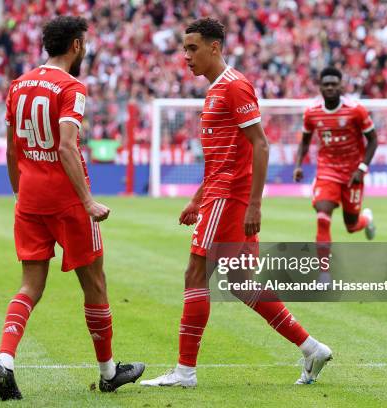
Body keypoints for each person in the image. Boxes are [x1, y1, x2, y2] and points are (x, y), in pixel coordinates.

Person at [140, 18, 332, 388]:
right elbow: (221, 159)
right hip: (219, 196)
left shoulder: (234, 87)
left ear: (215, 47)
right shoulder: (214, 91)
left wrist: (254, 205)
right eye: (184, 49)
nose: (186, 56)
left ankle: (184, 372)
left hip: (230, 199)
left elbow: (260, 144)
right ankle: (311, 348)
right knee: (242, 282)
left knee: (195, 275)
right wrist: (197, 200)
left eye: (193, 48)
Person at [0, 16, 144, 401]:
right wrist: (87, 200)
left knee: (30, 286)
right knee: (94, 283)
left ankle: (5, 361)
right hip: (67, 200)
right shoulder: (71, 86)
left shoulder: (18, 84)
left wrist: (19, 193)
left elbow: (12, 149)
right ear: (76, 45)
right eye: (85, 44)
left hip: (29, 196)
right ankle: (109, 372)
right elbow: (65, 145)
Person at [294, 67, 378, 281]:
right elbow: (305, 141)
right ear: (320, 87)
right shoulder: (311, 112)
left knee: (351, 225)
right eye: (326, 84)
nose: (330, 87)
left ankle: (366, 220)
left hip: (353, 173)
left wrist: (361, 169)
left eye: (334, 84)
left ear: (341, 86)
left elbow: (373, 140)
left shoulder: (356, 110)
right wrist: (298, 165)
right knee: (323, 216)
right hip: (327, 170)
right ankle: (324, 273)